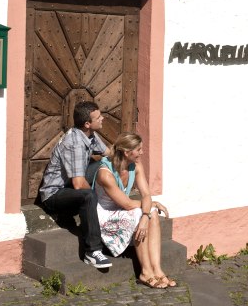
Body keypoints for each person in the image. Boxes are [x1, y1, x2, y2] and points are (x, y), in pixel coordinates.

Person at [93, 132, 176, 289]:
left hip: (125, 208)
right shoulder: (105, 174)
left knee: (150, 211)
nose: (142, 152)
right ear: (126, 152)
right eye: (139, 149)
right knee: (142, 211)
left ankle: (157, 270)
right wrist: (146, 210)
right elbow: (128, 205)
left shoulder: (136, 166)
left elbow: (146, 194)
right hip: (106, 214)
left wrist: (146, 214)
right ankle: (145, 272)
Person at [39, 101, 113, 268]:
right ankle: (92, 251)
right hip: (54, 195)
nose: (103, 118)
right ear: (87, 123)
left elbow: (108, 154)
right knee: (88, 196)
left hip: (69, 186)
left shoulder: (89, 134)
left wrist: (127, 155)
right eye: (98, 117)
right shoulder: (75, 143)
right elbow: (79, 185)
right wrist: (97, 202)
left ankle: (109, 206)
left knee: (104, 164)